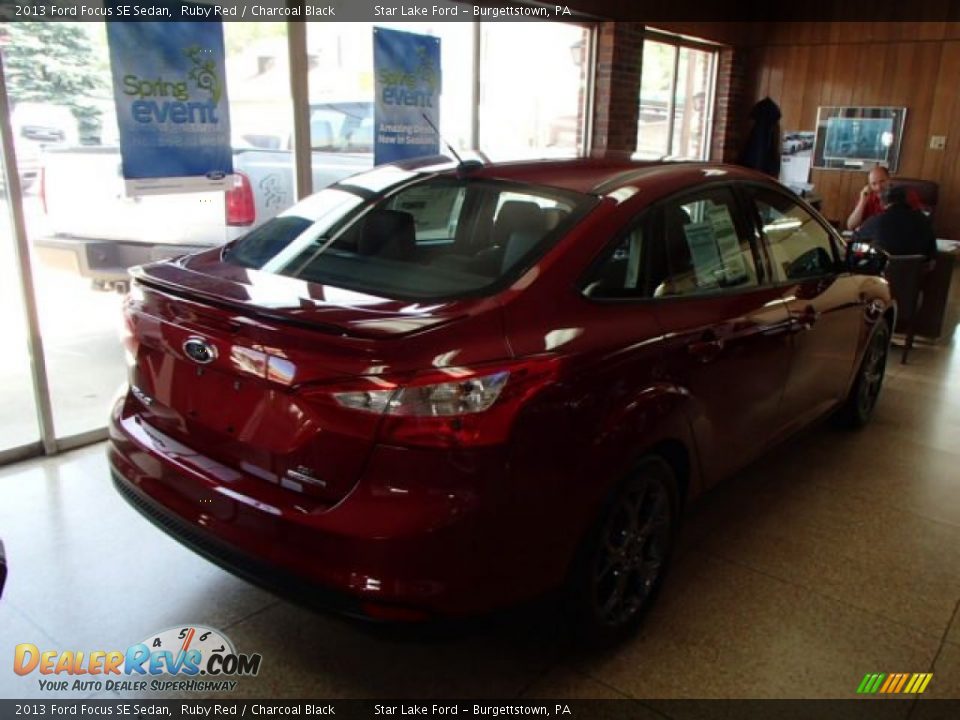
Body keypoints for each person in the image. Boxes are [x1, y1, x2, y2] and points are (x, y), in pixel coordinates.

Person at [853, 185, 937, 260]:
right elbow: (931, 258)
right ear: (906, 201)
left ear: (883, 203)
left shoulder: (875, 220)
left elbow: (854, 243)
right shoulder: (924, 220)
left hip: (880, 271)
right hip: (914, 272)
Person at [846, 165, 923, 230]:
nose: (879, 187)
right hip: (873, 239)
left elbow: (919, 222)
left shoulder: (907, 194)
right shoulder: (868, 197)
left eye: (882, 181)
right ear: (869, 186)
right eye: (874, 184)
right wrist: (862, 201)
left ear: (889, 180)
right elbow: (851, 226)